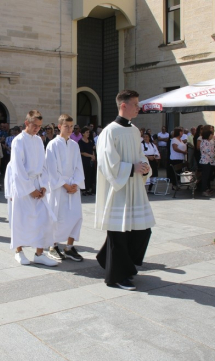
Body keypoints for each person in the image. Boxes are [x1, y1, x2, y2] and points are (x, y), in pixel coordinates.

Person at [95, 90, 155, 291]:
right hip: (118, 190)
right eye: (135, 104)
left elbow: (140, 155)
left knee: (141, 231)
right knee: (119, 233)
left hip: (134, 188)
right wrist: (131, 168)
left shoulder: (135, 130)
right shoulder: (109, 131)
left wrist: (145, 165)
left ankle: (108, 259)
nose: (139, 108)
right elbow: (107, 162)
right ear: (123, 105)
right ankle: (116, 276)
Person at [8, 110, 58, 266]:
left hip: (38, 183)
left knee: (42, 219)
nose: (37, 129)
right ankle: (19, 251)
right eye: (34, 125)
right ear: (26, 123)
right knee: (21, 219)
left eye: (39, 126)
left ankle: (39, 253)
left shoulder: (38, 141)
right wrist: (30, 189)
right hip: (23, 185)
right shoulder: (18, 140)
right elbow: (17, 168)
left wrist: (43, 185)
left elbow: (43, 165)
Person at [45, 114, 85, 262]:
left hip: (73, 187)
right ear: (59, 127)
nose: (69, 129)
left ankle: (69, 247)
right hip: (59, 188)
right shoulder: (52, 145)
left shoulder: (75, 145)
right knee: (58, 217)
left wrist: (75, 183)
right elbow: (51, 169)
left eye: (71, 126)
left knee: (75, 216)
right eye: (66, 126)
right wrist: (65, 185)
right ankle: (53, 246)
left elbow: (78, 166)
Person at [199, 128, 215, 197]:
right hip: (205, 161)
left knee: (208, 176)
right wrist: (214, 156)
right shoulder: (204, 142)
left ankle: (207, 188)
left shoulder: (209, 141)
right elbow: (207, 151)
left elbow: (213, 149)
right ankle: (204, 190)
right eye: (211, 134)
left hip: (210, 161)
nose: (212, 136)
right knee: (205, 176)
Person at [78, 126, 96, 196]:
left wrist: (93, 156)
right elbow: (82, 152)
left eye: (89, 132)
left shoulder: (90, 141)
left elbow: (92, 150)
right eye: (87, 132)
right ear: (83, 133)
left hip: (90, 161)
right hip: (84, 161)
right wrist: (90, 156)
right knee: (84, 175)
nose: (88, 134)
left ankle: (89, 189)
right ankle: (83, 190)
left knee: (90, 175)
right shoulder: (80, 142)